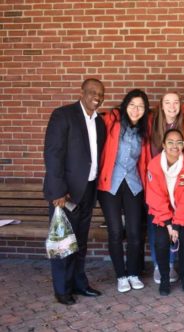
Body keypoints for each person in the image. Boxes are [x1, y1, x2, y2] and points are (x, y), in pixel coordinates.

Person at [43, 78, 106, 305]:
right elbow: (53, 154)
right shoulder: (64, 115)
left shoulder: (99, 122)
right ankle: (62, 289)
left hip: (88, 190)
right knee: (63, 242)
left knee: (79, 242)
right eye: (91, 92)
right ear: (82, 92)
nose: (96, 97)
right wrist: (57, 191)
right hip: (66, 194)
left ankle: (79, 283)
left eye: (100, 93)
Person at [97, 89, 151, 293]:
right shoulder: (112, 123)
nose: (136, 110)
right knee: (116, 231)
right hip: (109, 183)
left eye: (140, 106)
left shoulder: (143, 131)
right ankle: (121, 275)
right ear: (125, 105)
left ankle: (133, 273)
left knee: (136, 231)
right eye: (132, 105)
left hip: (133, 183)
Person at [148, 92, 184, 284]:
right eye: (167, 102)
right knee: (160, 240)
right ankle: (163, 272)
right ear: (163, 144)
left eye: (176, 102)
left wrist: (176, 223)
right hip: (162, 213)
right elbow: (156, 197)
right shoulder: (153, 164)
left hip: (182, 214)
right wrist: (169, 223)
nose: (174, 146)